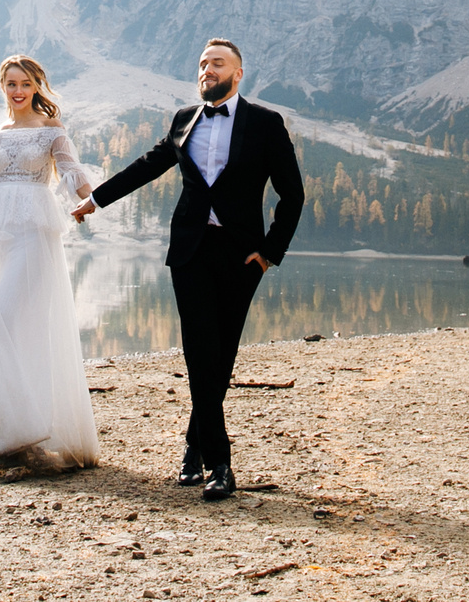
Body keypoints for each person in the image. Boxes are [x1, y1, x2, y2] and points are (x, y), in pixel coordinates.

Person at [72, 38, 303, 501]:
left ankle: (193, 448)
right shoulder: (184, 120)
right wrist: (96, 199)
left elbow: (292, 194)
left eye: (217, 64)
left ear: (238, 74)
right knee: (200, 351)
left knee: (222, 358)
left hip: (242, 257)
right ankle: (220, 462)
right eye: (201, 64)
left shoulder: (265, 123)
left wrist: (269, 253)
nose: (206, 70)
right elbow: (147, 165)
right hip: (191, 252)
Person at [0, 56, 100, 474]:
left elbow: (71, 171)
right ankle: (0, 431)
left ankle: (2, 434)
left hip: (35, 234)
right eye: (11, 83)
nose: (18, 91)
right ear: (3, 86)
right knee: (5, 330)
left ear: (36, 88)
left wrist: (90, 199)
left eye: (26, 84)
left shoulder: (51, 131)